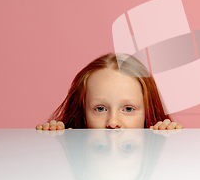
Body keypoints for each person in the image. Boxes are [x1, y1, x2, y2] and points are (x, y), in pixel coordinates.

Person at [36, 53, 182, 130]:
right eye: (100, 108)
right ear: (81, 113)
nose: (112, 122)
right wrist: (55, 141)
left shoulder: (162, 144)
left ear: (149, 113)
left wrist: (167, 142)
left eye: (128, 109)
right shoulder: (63, 145)